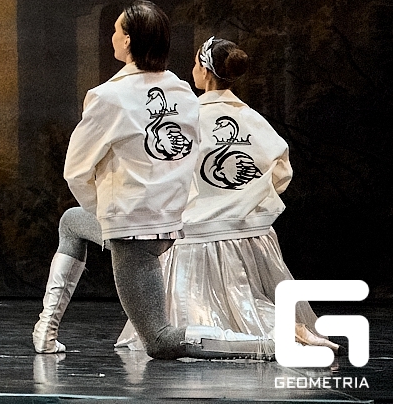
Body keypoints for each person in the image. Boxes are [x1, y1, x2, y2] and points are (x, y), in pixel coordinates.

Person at [32, 0, 269, 359]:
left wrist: (108, 214)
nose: (112, 36)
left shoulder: (108, 97)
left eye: (116, 31)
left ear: (128, 41)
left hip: (133, 230)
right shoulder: (182, 91)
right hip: (167, 224)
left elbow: (76, 171)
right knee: (71, 223)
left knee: (160, 341)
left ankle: (267, 344)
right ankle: (45, 332)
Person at [117, 35, 333, 353]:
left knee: (193, 323)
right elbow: (281, 172)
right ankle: (288, 327)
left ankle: (280, 333)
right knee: (249, 300)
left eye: (195, 63)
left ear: (205, 71)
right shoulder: (253, 119)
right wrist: (247, 200)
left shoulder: (186, 117)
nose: (193, 69)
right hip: (252, 236)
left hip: (198, 237)